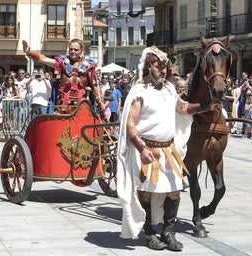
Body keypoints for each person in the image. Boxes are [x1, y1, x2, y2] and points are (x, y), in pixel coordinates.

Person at [116, 46, 222, 251]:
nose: (163, 70)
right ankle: (149, 234)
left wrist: (206, 106)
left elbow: (183, 108)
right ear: (148, 67)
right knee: (145, 194)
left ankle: (168, 232)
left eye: (165, 66)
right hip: (147, 151)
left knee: (174, 192)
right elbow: (130, 124)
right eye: (159, 66)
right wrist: (140, 149)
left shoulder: (168, 89)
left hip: (168, 152)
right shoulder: (139, 92)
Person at [23, 38, 105, 117]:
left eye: (76, 50)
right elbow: (45, 59)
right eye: (71, 49)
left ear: (81, 51)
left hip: (81, 105)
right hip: (63, 105)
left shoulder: (88, 66)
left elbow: (95, 84)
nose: (73, 51)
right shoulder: (62, 63)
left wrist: (100, 101)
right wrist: (29, 52)